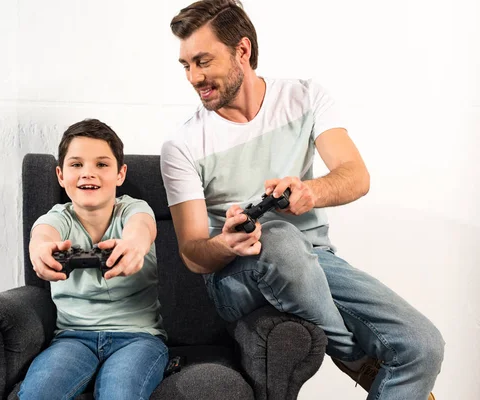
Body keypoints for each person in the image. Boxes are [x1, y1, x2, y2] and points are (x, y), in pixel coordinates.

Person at [160, 1, 444, 399]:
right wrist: (225, 243)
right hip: (236, 276)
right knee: (277, 237)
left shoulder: (305, 98)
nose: (194, 77)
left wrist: (312, 191)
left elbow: (355, 176)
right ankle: (357, 358)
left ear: (242, 50)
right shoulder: (182, 145)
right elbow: (193, 253)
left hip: (317, 259)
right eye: (185, 65)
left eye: (203, 61)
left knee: (423, 346)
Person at [19, 119, 168, 400]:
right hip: (73, 338)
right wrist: (39, 250)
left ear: (120, 174)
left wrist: (135, 244)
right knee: (38, 394)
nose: (89, 173)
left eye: (101, 164)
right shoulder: (57, 217)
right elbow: (42, 235)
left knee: (120, 394)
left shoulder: (134, 210)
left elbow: (142, 227)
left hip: (138, 337)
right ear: (61, 176)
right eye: (77, 165)